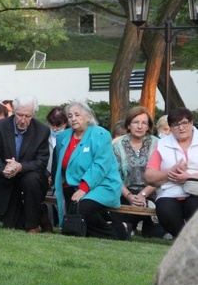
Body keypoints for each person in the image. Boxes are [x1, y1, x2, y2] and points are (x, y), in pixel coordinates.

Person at [53, 101, 125, 240]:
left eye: (77, 115)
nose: (73, 119)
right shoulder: (63, 136)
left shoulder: (100, 134)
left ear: (88, 117)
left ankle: (113, 236)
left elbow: (100, 165)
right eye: (70, 116)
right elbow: (60, 163)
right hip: (73, 186)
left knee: (82, 208)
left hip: (103, 184)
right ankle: (110, 230)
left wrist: (83, 188)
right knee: (74, 214)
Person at [0, 95, 51, 233]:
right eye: (19, 115)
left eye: (27, 116)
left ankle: (32, 226)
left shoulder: (42, 131)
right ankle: (40, 214)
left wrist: (20, 167)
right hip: (7, 179)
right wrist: (5, 169)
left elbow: (41, 162)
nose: (22, 120)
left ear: (33, 114)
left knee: (31, 179)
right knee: (11, 226)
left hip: (30, 178)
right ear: (13, 112)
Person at [144, 108, 198, 238]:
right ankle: (185, 241)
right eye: (175, 124)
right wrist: (171, 172)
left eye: (184, 123)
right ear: (170, 127)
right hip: (170, 192)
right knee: (165, 209)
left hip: (196, 190)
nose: (181, 128)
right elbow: (149, 176)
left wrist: (188, 177)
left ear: (192, 123)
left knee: (194, 205)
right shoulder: (162, 144)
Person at [111, 106, 163, 238]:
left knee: (153, 235)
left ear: (148, 126)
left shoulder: (158, 144)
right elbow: (115, 176)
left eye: (144, 123)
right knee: (121, 230)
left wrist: (143, 195)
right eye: (135, 122)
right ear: (128, 125)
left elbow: (160, 175)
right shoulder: (117, 145)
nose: (139, 126)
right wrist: (129, 196)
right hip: (124, 193)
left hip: (152, 193)